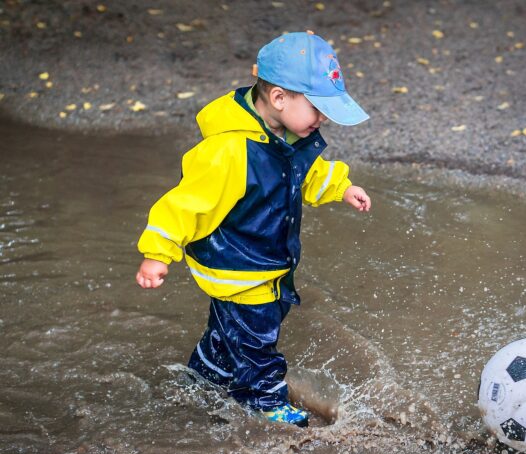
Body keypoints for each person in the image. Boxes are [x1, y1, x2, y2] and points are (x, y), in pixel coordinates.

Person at [135, 31, 371, 427]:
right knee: (259, 342)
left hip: (260, 262)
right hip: (240, 267)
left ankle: (204, 377)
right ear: (279, 98)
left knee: (229, 331)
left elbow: (305, 174)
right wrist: (157, 254)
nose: (323, 118)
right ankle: (263, 401)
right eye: (318, 107)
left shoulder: (287, 135)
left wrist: (342, 188)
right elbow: (184, 203)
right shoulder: (228, 150)